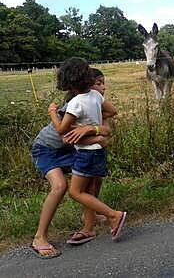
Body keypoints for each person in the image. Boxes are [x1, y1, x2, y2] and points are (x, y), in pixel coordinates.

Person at [30, 66, 115, 259]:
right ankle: (39, 237)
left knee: (94, 175)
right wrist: (97, 137)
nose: (102, 87)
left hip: (70, 149)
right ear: (86, 85)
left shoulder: (93, 100)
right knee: (60, 186)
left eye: (103, 83)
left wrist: (95, 130)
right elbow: (67, 136)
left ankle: (89, 216)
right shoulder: (73, 106)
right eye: (98, 83)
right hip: (47, 149)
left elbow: (108, 122)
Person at [48, 57, 126, 248]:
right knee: (90, 189)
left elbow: (61, 130)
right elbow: (110, 111)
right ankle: (89, 226)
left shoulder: (75, 103)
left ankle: (113, 215)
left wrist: (52, 112)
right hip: (98, 151)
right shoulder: (96, 96)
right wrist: (96, 127)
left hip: (85, 153)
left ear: (68, 82)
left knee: (75, 192)